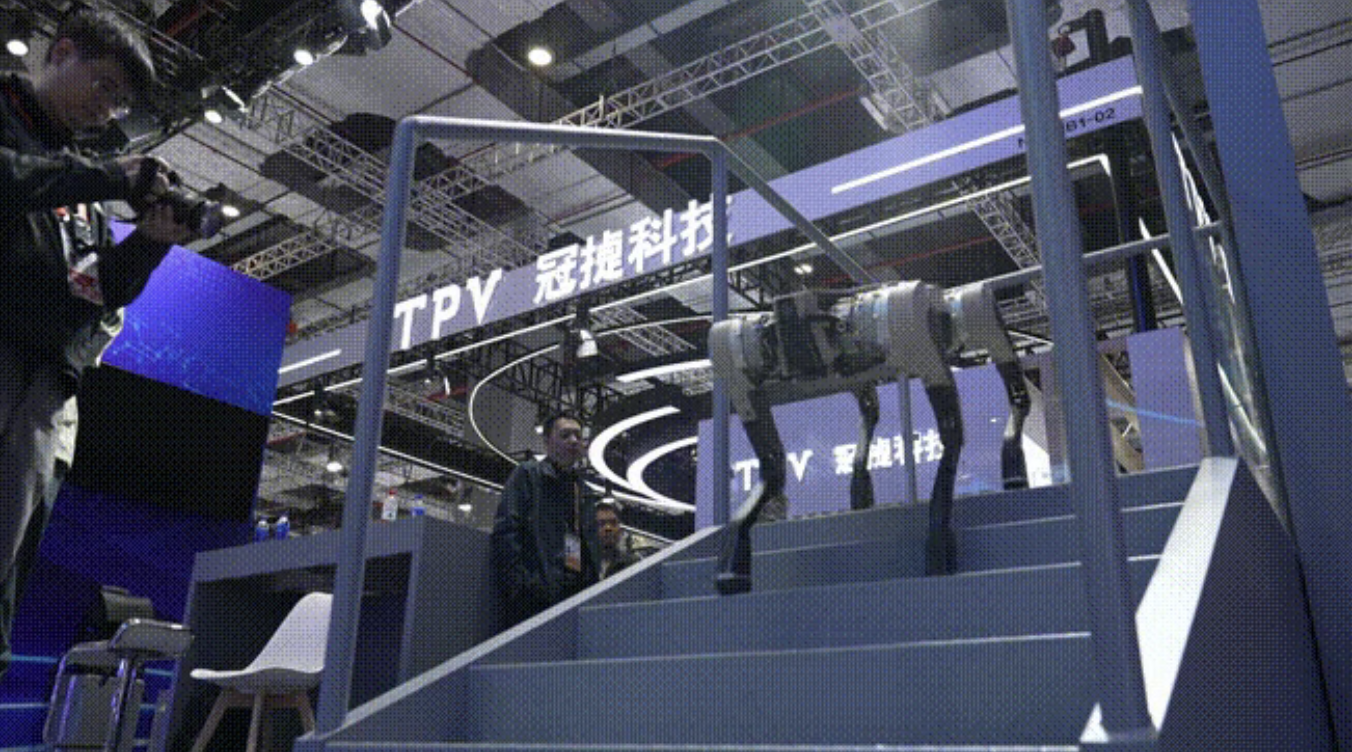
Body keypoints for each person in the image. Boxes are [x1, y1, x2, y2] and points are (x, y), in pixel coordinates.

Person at [0, 9, 193, 680]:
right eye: (103, 85)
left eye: (118, 102)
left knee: (7, 562)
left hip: (44, 390)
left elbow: (97, 288)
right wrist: (110, 175)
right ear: (61, 53)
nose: (105, 109)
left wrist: (150, 243)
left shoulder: (77, 181)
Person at [490, 413, 602, 625]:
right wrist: (521, 586)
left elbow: (584, 542)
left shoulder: (583, 490)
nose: (573, 441)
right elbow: (507, 529)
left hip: (574, 592)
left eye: (578, 436)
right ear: (547, 442)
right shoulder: (528, 475)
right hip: (536, 595)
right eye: (565, 435)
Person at [595, 499, 639, 579]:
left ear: (621, 527)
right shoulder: (590, 563)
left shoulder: (631, 562)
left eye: (613, 523)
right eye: (602, 523)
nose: (608, 528)